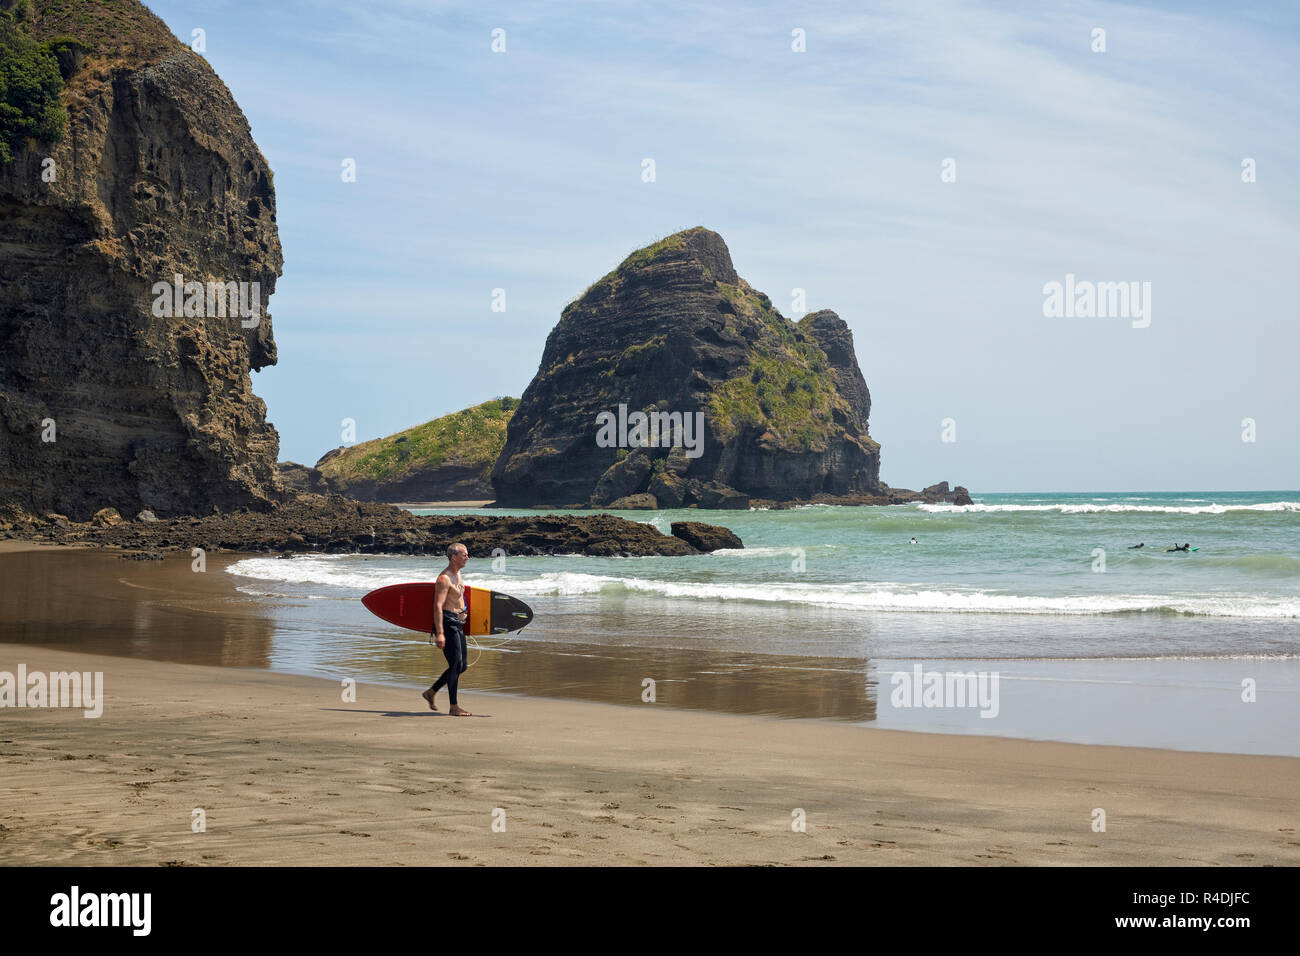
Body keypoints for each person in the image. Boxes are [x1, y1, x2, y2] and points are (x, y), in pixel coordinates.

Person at [422, 542, 472, 716]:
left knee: (462, 666)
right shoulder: (444, 579)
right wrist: (440, 633)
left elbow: (457, 599)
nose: (467, 557)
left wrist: (463, 612)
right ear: (453, 557)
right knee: (456, 664)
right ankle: (453, 706)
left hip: (458, 623)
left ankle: (431, 692)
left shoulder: (458, 574)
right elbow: (437, 606)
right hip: (447, 623)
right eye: (464, 554)